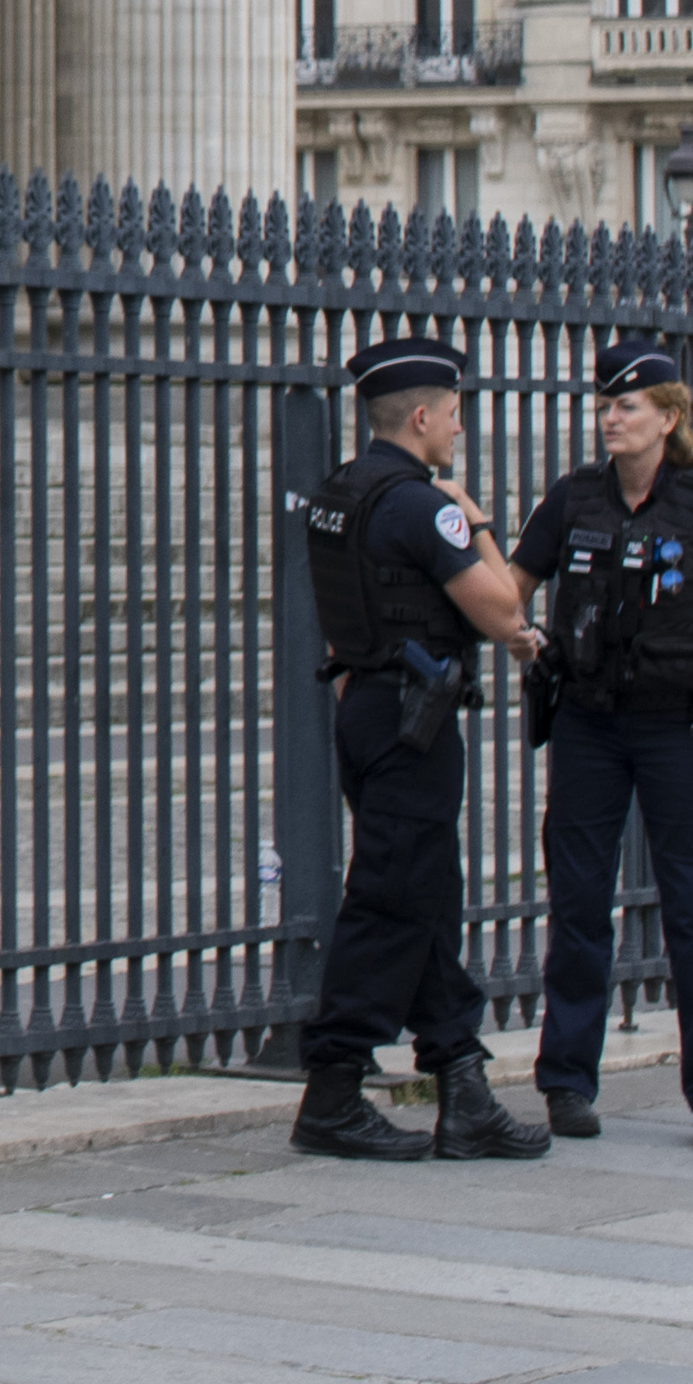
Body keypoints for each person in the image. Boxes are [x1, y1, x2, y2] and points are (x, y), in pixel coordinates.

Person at [289, 335, 555, 1163]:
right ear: (421, 415)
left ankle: (461, 1081)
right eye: (455, 414)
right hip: (413, 719)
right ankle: (333, 1085)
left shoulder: (341, 491)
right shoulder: (420, 502)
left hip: (367, 703)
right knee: (393, 897)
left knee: (428, 890)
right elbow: (507, 609)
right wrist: (475, 521)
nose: (459, 429)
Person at [512, 338, 693, 1149]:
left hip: (678, 727)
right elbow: (512, 584)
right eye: (605, 405)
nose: (610, 418)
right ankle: (566, 1084)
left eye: (626, 406)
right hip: (588, 721)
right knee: (580, 905)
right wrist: (515, 630)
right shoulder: (574, 498)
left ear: (667, 417)